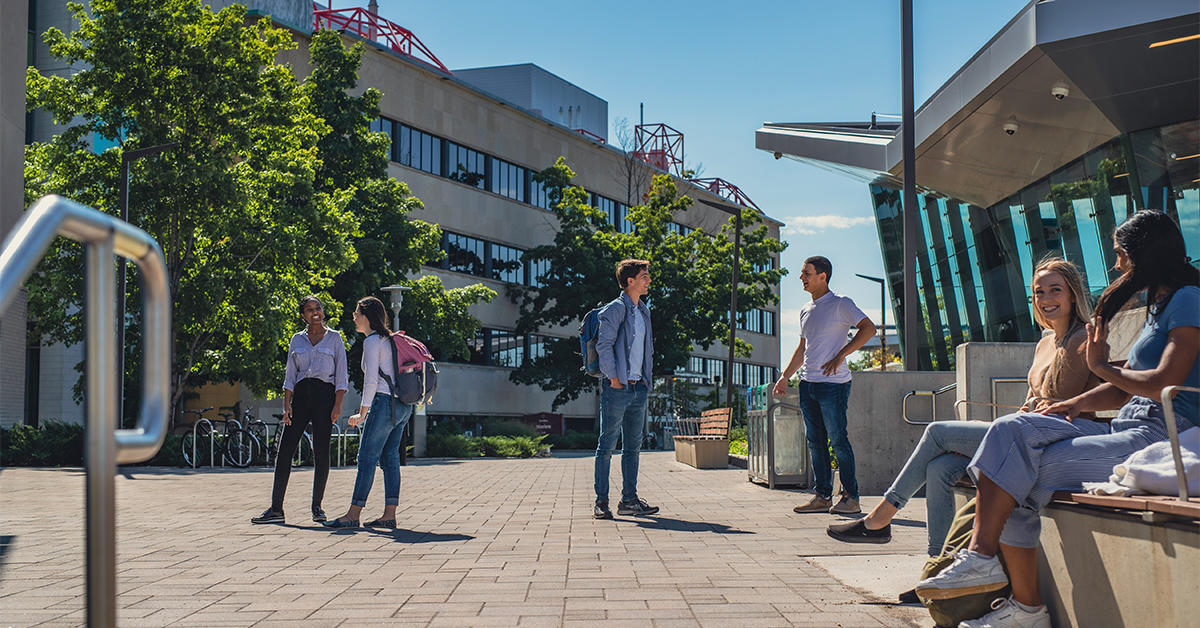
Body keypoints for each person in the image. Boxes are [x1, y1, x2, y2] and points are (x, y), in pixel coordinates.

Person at [916, 210, 1200, 628]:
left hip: (1162, 434)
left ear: (1144, 253)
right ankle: (986, 566)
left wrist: (1099, 367)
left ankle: (1023, 605)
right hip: (1128, 424)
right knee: (1009, 434)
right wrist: (1075, 403)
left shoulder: (1189, 299)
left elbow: (1162, 381)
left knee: (1016, 472)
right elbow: (1125, 387)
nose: (1116, 264)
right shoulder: (1160, 306)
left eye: (1121, 254)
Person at [827, 258, 1100, 556]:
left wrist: (1014, 419)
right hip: (1025, 433)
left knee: (938, 433)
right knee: (940, 467)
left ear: (1072, 293)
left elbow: (1059, 398)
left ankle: (881, 517)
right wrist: (993, 429)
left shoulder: (1083, 337)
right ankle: (939, 561)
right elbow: (1029, 405)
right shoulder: (1045, 344)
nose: (1046, 299)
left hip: (1055, 440)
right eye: (1039, 292)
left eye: (1055, 290)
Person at [772, 255, 876, 514]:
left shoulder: (841, 303)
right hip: (808, 384)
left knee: (838, 441)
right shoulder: (806, 310)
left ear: (823, 276)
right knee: (815, 442)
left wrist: (842, 354)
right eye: (802, 273)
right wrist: (785, 376)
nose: (801, 278)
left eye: (806, 273)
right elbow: (802, 348)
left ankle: (851, 498)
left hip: (834, 385)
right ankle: (822, 496)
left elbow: (868, 329)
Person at [252, 295, 348, 525]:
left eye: (318, 308)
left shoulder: (335, 338)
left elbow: (341, 376)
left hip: (325, 397)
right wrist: (287, 404)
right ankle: (276, 509)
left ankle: (317, 507)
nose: (315, 312)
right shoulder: (297, 339)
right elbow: (290, 374)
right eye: (309, 309)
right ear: (303, 315)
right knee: (285, 450)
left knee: (321, 452)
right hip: (301, 397)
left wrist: (337, 405)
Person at [324, 296, 415, 529]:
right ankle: (389, 515)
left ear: (366, 316)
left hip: (384, 404)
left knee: (366, 458)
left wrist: (362, 413)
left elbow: (371, 381)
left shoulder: (373, 341)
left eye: (357, 313)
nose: (354, 317)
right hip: (403, 406)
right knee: (390, 459)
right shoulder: (389, 339)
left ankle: (353, 515)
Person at [593, 259, 660, 519]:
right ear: (630, 281)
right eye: (644, 276)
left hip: (638, 388)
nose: (648, 280)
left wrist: (645, 382)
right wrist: (613, 379)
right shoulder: (614, 309)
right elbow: (604, 345)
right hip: (617, 388)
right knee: (607, 446)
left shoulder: (644, 311)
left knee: (633, 447)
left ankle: (629, 501)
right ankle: (601, 502)